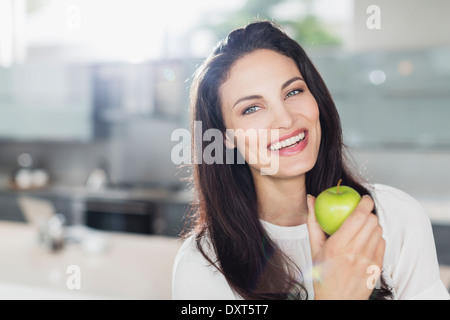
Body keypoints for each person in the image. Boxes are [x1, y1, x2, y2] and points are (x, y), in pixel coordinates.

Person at [171, 20, 449, 300]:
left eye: (293, 92)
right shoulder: (202, 266)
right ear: (225, 137)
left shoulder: (396, 217)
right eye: (252, 108)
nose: (286, 119)